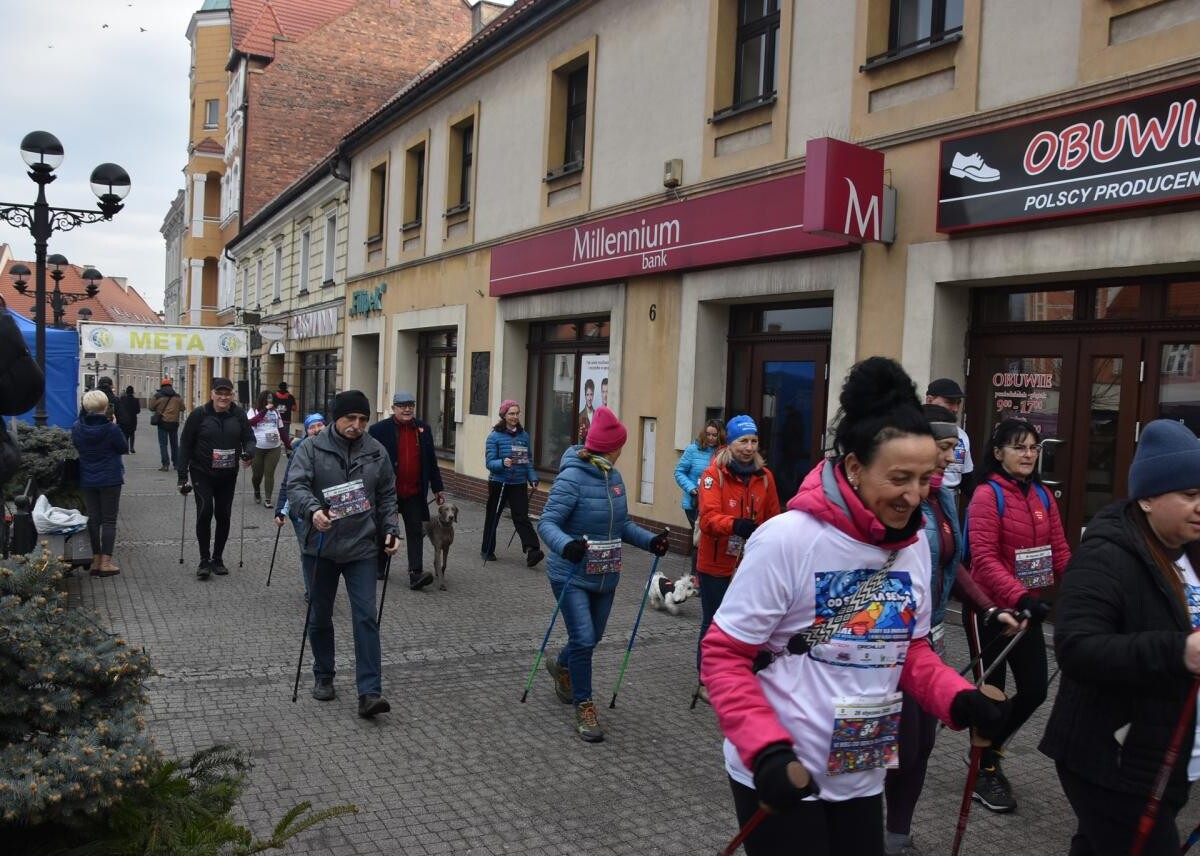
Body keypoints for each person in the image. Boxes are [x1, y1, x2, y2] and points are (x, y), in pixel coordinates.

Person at [700, 357, 1009, 856]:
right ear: (854, 468)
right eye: (899, 477)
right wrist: (766, 750)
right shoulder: (788, 540)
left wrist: (956, 697)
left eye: (925, 478)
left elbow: (909, 651)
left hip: (860, 769)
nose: (914, 496)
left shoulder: (912, 546)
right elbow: (723, 656)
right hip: (784, 771)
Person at [1039, 419, 1200, 855]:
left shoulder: (1190, 550)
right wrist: (1179, 652)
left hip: (1170, 755)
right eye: (1189, 494)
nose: (1199, 505)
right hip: (1115, 762)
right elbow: (1076, 647)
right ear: (1147, 498)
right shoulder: (1106, 554)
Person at [882, 404, 1025, 856]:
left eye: (952, 448)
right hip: (892, 641)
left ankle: (897, 834)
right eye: (943, 447)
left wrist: (989, 607)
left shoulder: (942, 498)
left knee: (922, 744)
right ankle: (871, 830)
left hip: (931, 635)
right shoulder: (899, 504)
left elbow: (952, 562)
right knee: (900, 745)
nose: (950, 457)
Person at [537, 406, 670, 742]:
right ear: (612, 447)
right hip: (571, 573)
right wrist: (566, 546)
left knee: (591, 638)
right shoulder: (572, 477)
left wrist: (651, 541)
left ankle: (562, 664)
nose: (622, 450)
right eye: (621, 444)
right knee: (583, 638)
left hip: (606, 574)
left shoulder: (614, 477)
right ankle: (584, 706)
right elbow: (547, 522)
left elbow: (622, 525)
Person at [964, 416, 1071, 812]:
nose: (1028, 454)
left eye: (1033, 447)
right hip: (990, 610)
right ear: (998, 453)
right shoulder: (987, 495)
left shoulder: (1042, 495)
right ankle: (984, 771)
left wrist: (1086, 589)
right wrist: (1019, 596)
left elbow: (1059, 551)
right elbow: (984, 559)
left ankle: (988, 750)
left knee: (1036, 690)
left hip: (1027, 609)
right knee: (991, 696)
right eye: (1019, 447)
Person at [287, 390, 401, 719]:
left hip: (362, 547)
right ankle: (324, 674)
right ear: (336, 417)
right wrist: (313, 511)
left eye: (363, 419)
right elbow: (296, 486)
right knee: (320, 615)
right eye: (351, 418)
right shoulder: (311, 447)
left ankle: (370, 692)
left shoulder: (376, 450)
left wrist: (391, 529)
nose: (357, 425)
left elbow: (387, 494)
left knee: (365, 616)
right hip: (320, 546)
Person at [693, 414, 781, 704]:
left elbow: (774, 519)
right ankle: (706, 680)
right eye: (743, 441)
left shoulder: (764, 478)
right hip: (716, 563)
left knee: (748, 621)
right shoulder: (713, 475)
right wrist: (735, 525)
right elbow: (708, 519)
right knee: (714, 621)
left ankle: (739, 674)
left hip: (750, 564)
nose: (749, 447)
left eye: (754, 441)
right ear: (730, 443)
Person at [177, 377, 255, 580]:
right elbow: (185, 445)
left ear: (232, 395)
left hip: (228, 474)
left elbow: (249, 438)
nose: (223, 397)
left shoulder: (238, 414)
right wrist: (182, 477)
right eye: (219, 393)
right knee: (205, 511)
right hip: (202, 472)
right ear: (212, 394)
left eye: (227, 393)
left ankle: (217, 559)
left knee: (223, 514)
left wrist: (249, 453)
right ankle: (204, 560)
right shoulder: (199, 414)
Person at [367, 390, 445, 590]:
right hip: (387, 493)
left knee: (416, 531)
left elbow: (431, 461)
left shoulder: (423, 429)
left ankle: (415, 573)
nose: (407, 409)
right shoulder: (378, 430)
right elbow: (368, 461)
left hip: (414, 492)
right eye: (402, 406)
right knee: (384, 529)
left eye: (410, 405)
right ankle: (379, 565)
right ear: (393, 408)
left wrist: (437, 488)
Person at [72, 389, 128, 577]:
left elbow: (77, 446)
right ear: (105, 407)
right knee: (109, 520)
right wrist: (115, 425)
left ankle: (95, 560)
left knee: (93, 519)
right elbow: (123, 448)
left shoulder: (77, 427)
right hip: (110, 478)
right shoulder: (111, 428)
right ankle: (106, 563)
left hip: (87, 478)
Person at [481, 399, 544, 566]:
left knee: (521, 517)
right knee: (493, 516)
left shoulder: (524, 436)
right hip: (499, 482)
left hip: (518, 483)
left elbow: (527, 461)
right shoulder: (494, 437)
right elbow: (489, 463)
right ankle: (487, 549)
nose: (515, 417)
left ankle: (532, 550)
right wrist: (502, 463)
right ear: (504, 415)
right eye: (511, 413)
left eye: (517, 413)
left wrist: (533, 478)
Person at [275, 412, 326, 599]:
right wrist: (280, 510)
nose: (317, 430)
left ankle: (322, 589)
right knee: (308, 552)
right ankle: (312, 592)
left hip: (325, 509)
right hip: (301, 511)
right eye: (312, 427)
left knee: (325, 552)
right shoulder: (300, 451)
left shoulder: (335, 448)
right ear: (306, 431)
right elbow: (288, 482)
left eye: (320, 425)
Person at [675, 418, 724, 577]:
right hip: (694, 502)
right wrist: (692, 489)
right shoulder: (692, 450)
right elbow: (679, 472)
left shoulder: (723, 452)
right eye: (708, 434)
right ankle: (695, 575)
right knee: (700, 537)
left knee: (708, 538)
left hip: (715, 502)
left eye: (714, 435)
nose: (711, 438)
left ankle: (704, 573)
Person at [924, 378, 974, 503]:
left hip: (950, 498)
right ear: (929, 400)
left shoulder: (962, 436)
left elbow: (967, 478)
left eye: (958, 403)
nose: (955, 409)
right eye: (950, 402)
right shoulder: (915, 430)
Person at [247, 389, 284, 508]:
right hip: (257, 448)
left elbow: (281, 430)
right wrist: (265, 410)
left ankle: (268, 499)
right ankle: (257, 490)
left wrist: (289, 446)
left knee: (269, 473)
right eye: (268, 398)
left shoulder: (276, 412)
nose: (270, 400)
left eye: (272, 398)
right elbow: (251, 422)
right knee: (257, 475)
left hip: (274, 447)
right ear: (263, 399)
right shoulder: (253, 410)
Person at [152, 378, 184, 472]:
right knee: (174, 444)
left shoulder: (157, 396)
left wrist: (159, 409)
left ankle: (165, 465)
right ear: (171, 385)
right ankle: (176, 464)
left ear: (162, 386)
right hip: (174, 423)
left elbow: (151, 407)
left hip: (162, 423)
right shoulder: (177, 396)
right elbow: (183, 408)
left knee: (163, 444)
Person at [115, 385, 140, 453]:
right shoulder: (136, 400)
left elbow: (119, 408)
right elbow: (138, 411)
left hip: (124, 418)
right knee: (132, 433)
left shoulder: (122, 399)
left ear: (126, 392)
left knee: (125, 433)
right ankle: (132, 447)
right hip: (133, 419)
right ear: (132, 392)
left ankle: (126, 449)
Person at [274, 381, 296, 451]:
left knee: (275, 435)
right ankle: (286, 450)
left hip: (276, 419)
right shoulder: (290, 397)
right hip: (286, 419)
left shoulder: (274, 396)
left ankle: (274, 449)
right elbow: (294, 408)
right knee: (285, 436)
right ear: (286, 387)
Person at [577, 378, 595, 443]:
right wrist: (580, 436)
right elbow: (578, 441)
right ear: (585, 396)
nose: (589, 398)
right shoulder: (580, 416)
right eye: (587, 395)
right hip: (584, 448)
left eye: (591, 394)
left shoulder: (597, 415)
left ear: (593, 395)